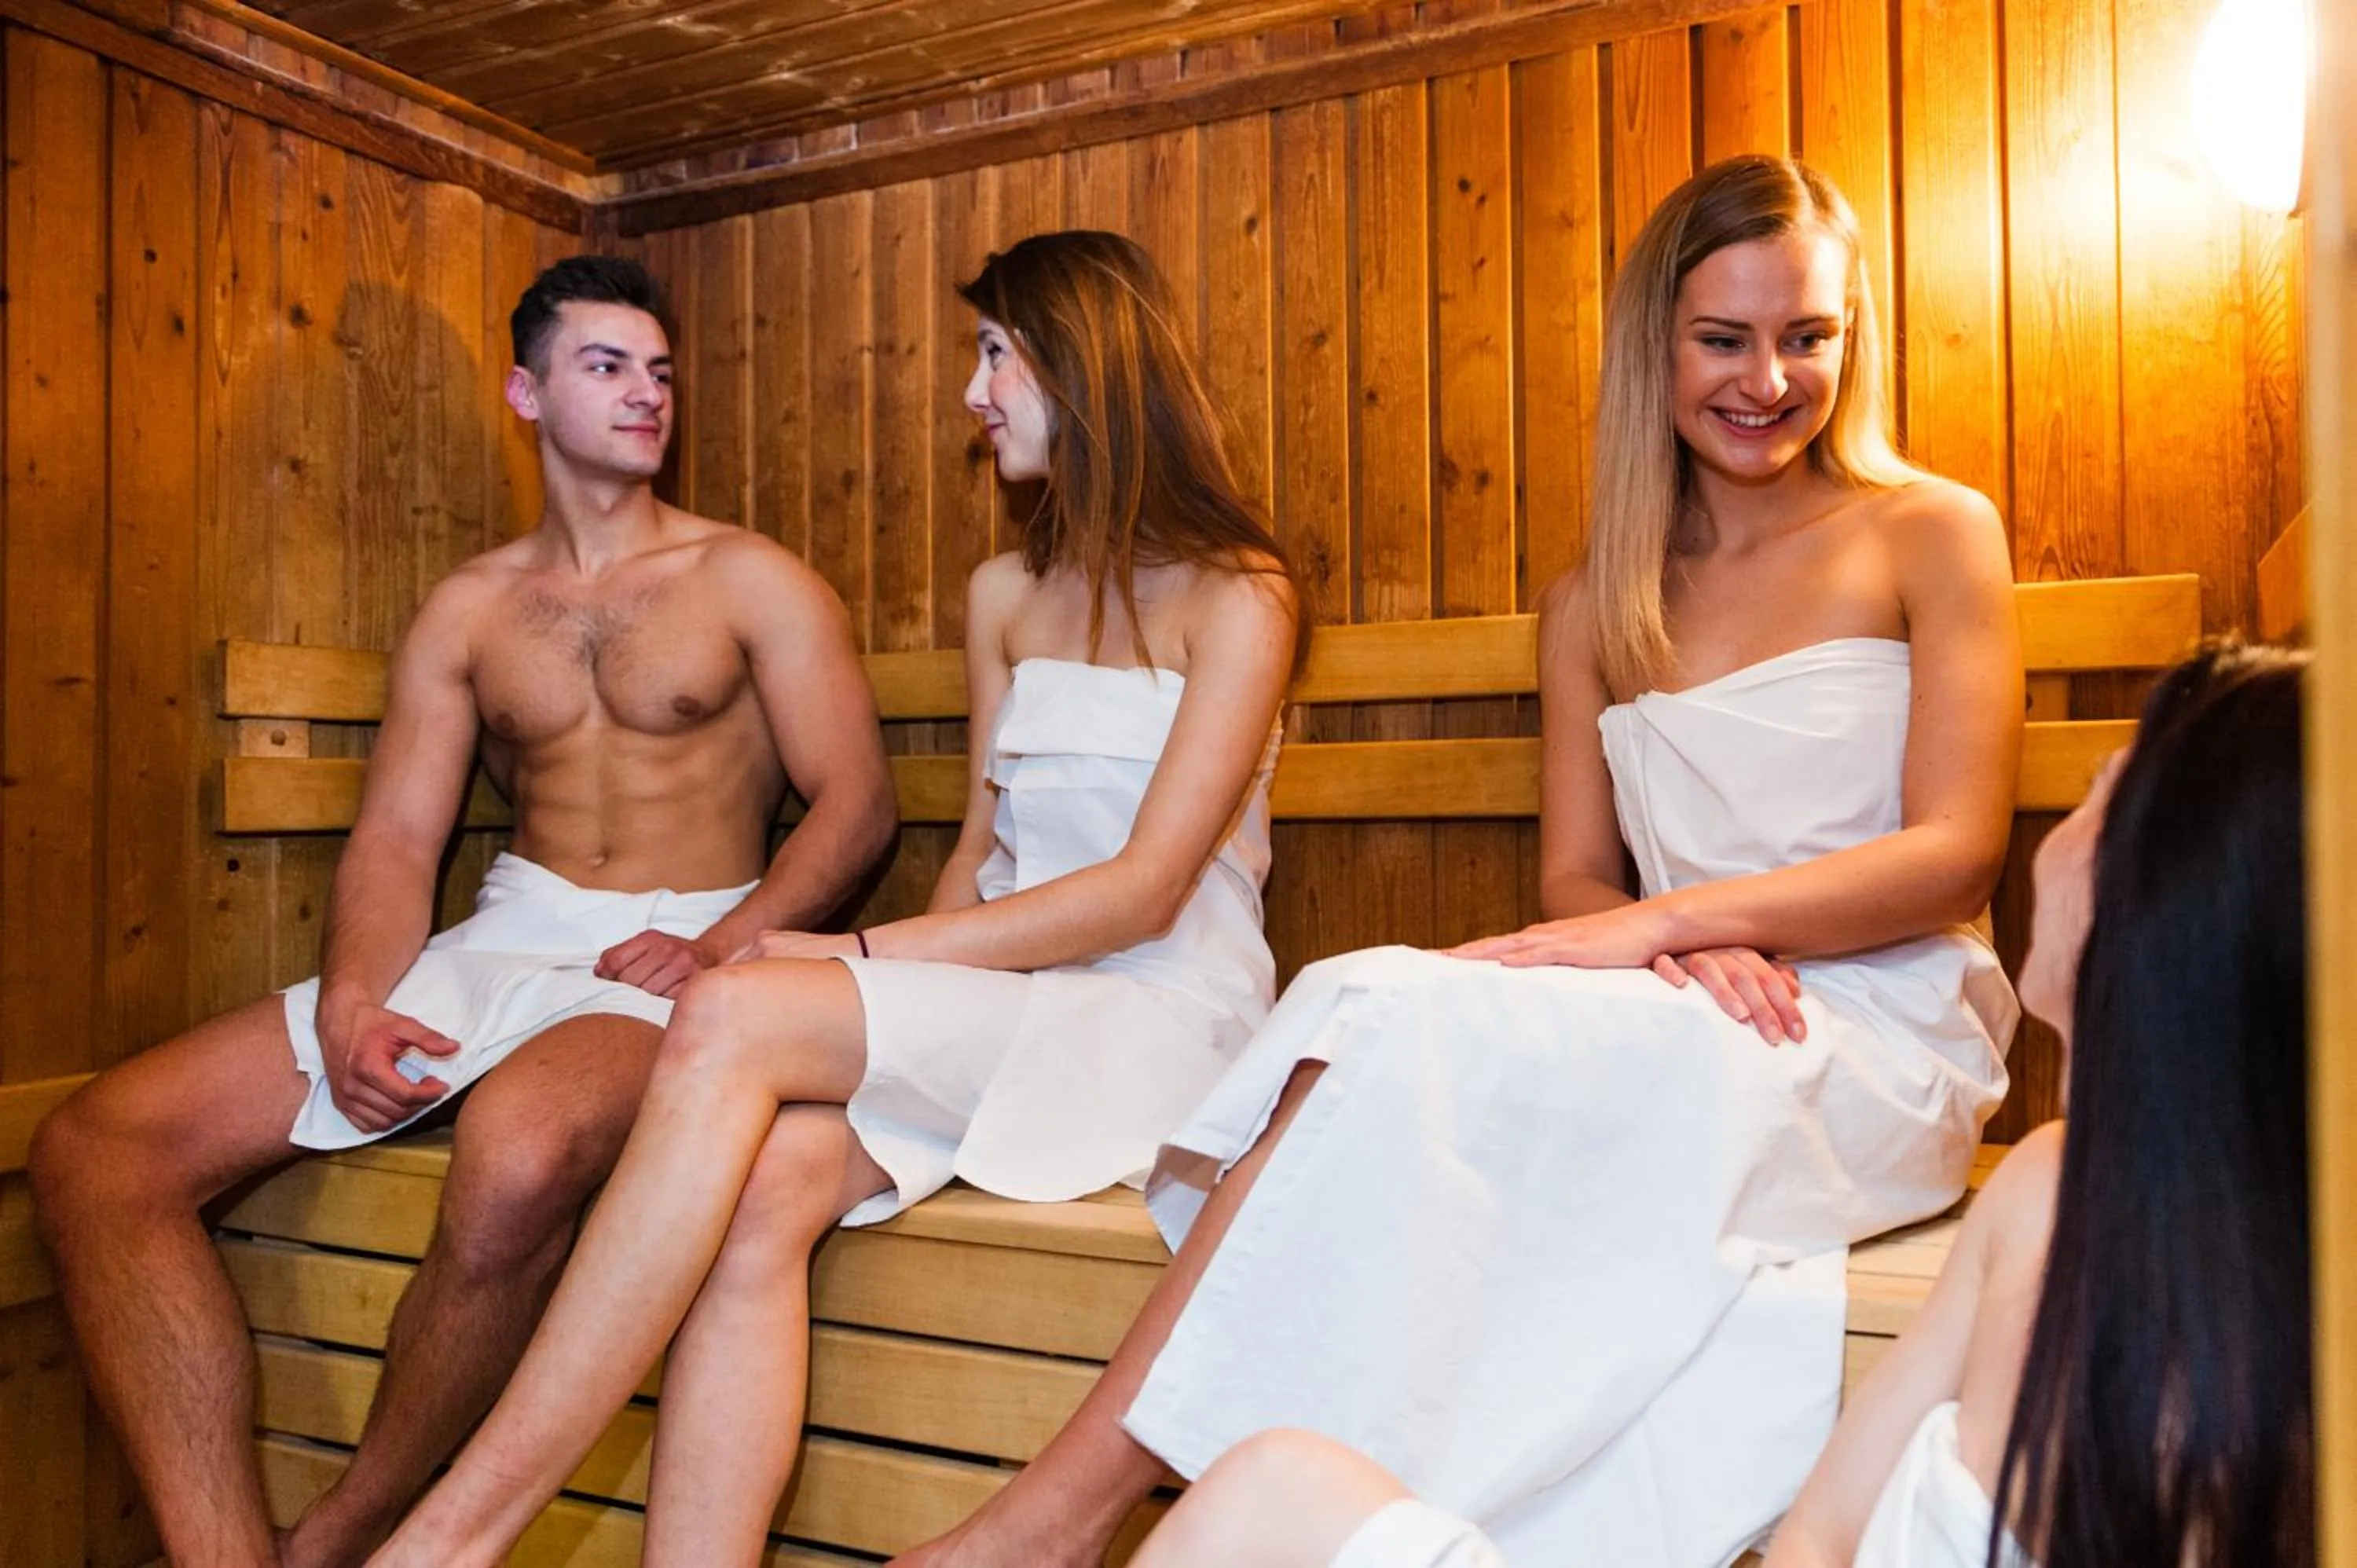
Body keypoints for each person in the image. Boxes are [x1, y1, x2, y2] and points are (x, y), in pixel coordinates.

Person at [900, 154, 2024, 1568]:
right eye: (1723, 339)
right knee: (1370, 1005)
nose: (1768, 379)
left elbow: (1955, 854)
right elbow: (1577, 881)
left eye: (1809, 336)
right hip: (1689, 997)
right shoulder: (1598, 600)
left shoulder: (1930, 531)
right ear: (1656, 347)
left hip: (1877, 1026)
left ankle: (1047, 1526)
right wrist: (1674, 939)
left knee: (1406, 1047)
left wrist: (1670, 924)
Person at [366, 229, 1306, 1567]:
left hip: (1162, 1013)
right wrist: (886, 977)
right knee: (763, 1185)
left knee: (733, 1009)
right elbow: (981, 851)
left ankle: (453, 1537)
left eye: (996, 355)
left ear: (1083, 362)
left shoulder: (1242, 596)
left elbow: (1145, 892)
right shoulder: (1005, 594)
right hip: (1015, 1005)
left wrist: (855, 953)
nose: (974, 394)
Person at [27, 255, 898, 1568]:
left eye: (659, 372)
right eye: (606, 366)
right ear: (526, 393)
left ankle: (347, 1532)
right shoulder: (472, 609)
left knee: (520, 1154)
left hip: (681, 946)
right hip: (507, 930)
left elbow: (857, 805)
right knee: (97, 1150)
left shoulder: (750, 579)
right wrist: (353, 999)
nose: (645, 393)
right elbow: (398, 836)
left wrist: (721, 947)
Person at [1113, 644, 2314, 1568]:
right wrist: (1676, 938)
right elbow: (1819, 1537)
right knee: (1274, 1482)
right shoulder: (2049, 1189)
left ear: (2174, 888)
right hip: (1718, 996)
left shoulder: (2257, 1364)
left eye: (2100, 796)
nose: (2054, 838)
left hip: (1825, 1028)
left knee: (1392, 1010)